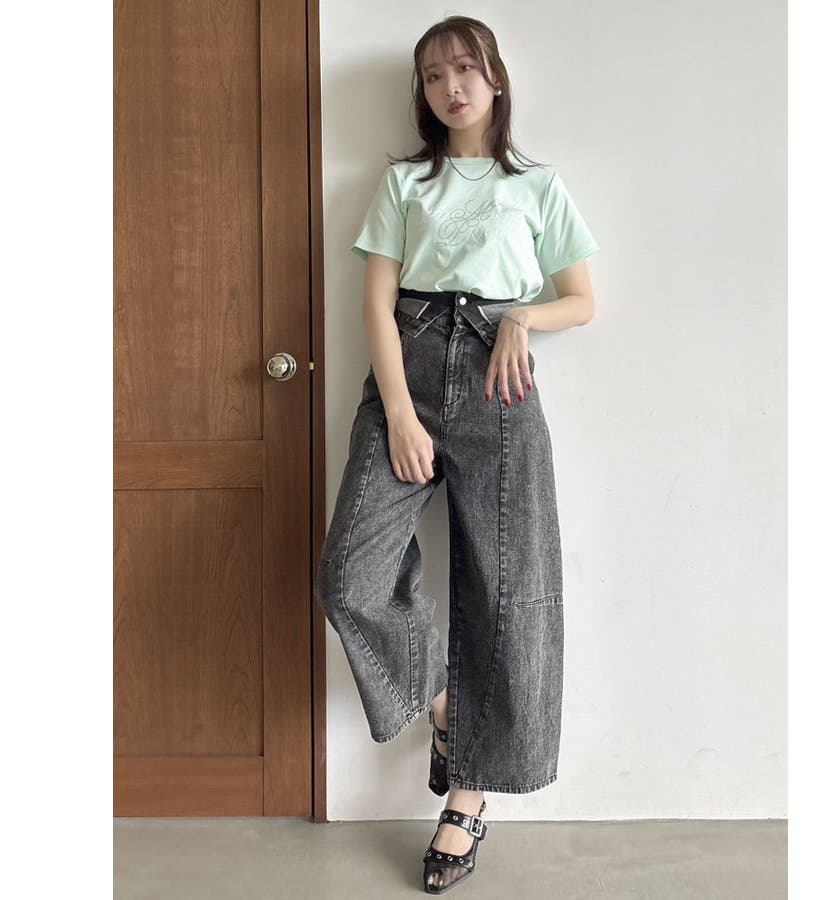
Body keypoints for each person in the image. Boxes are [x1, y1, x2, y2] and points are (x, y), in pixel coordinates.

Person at [314, 15, 599, 894]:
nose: (452, 87)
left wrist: (522, 318)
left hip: (498, 386)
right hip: (406, 373)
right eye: (434, 76)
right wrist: (400, 414)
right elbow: (375, 303)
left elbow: (582, 298)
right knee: (348, 577)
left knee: (509, 592)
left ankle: (467, 799)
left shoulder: (537, 185)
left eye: (466, 69)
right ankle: (446, 709)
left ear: (496, 78)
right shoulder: (404, 183)